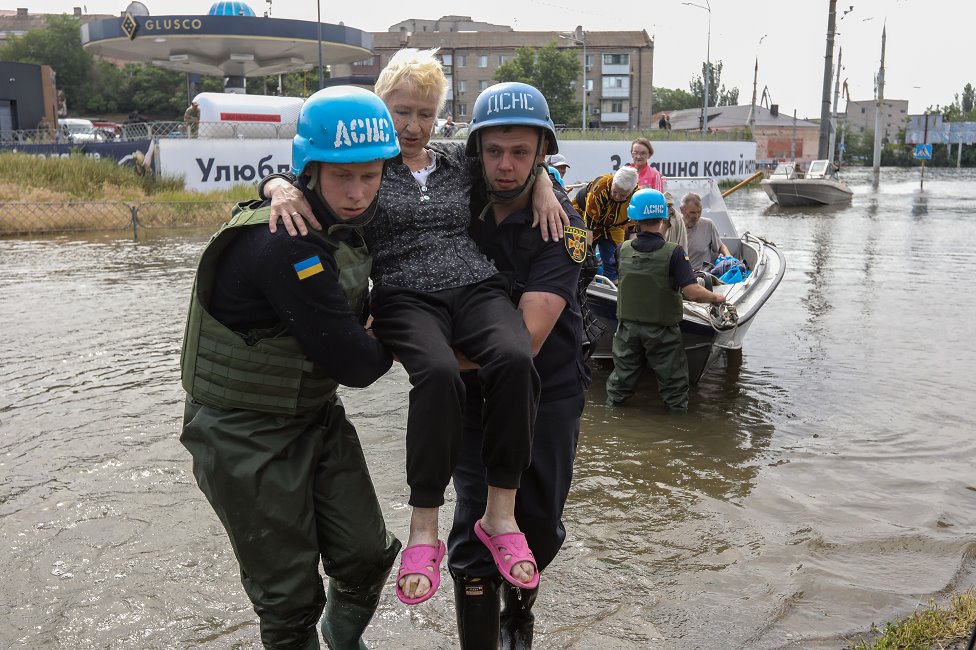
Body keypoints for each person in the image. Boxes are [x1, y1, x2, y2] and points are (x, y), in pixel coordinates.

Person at [258, 48, 569, 607]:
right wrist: (276, 187)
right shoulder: (369, 169)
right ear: (381, 110)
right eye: (401, 111)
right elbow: (305, 176)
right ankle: (424, 525)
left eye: (425, 114)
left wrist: (544, 181)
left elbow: (514, 165)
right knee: (438, 372)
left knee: (517, 357)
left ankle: (500, 517)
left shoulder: (456, 163)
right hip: (405, 295)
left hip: (476, 288)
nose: (413, 126)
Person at [179, 86, 402, 650]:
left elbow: (457, 169)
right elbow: (357, 363)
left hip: (312, 416)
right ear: (310, 172)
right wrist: (387, 334)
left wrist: (545, 180)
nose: (356, 194)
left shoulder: (328, 210)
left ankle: (343, 641)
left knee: (367, 556)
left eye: (370, 176)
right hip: (242, 433)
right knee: (289, 600)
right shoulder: (283, 243)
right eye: (341, 178)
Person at [449, 81, 591, 650]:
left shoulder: (568, 226)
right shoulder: (452, 207)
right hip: (470, 397)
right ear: (476, 150)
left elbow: (526, 341)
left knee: (539, 528)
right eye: (494, 152)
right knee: (472, 530)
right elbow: (355, 179)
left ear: (542, 155)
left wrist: (426, 352)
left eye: (521, 154)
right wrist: (280, 182)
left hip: (548, 393)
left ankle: (520, 611)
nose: (505, 166)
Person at [605, 188, 726, 412]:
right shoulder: (675, 253)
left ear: (634, 219)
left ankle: (612, 417)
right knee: (674, 390)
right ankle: (677, 435)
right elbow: (692, 292)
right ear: (663, 218)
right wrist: (716, 297)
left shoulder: (622, 250)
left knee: (620, 384)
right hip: (662, 332)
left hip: (627, 330)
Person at [572, 166, 639, 281]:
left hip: (614, 226)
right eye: (615, 191)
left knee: (617, 262)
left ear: (630, 192)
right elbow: (588, 228)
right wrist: (587, 253)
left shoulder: (636, 196)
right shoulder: (600, 187)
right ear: (613, 182)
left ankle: (612, 290)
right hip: (584, 220)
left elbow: (634, 231)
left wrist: (629, 255)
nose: (617, 197)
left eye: (623, 195)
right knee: (582, 261)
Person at [680, 191, 731, 270]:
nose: (696, 216)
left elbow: (720, 246)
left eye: (699, 212)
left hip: (702, 274)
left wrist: (729, 257)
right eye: (692, 212)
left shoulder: (708, 225)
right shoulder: (674, 226)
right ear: (682, 210)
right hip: (681, 274)